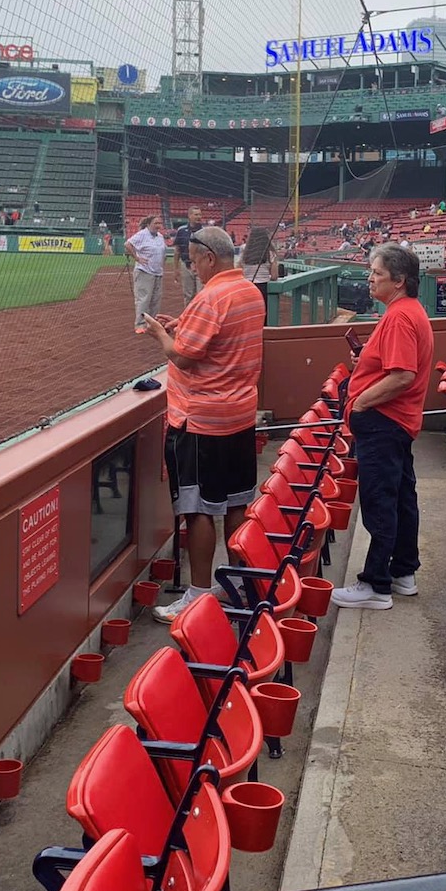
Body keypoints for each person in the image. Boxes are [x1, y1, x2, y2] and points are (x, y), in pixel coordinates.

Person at [141, 227, 266, 622]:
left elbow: (183, 357)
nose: (192, 267)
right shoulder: (249, 291)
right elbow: (215, 335)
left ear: (210, 257)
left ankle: (196, 595)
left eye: (194, 260)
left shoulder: (212, 296)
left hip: (201, 420)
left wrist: (163, 334)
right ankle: (237, 583)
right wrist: (182, 322)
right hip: (240, 415)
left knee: (198, 510)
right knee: (235, 504)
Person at [333, 245, 436, 611]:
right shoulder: (406, 312)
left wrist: (360, 402)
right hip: (395, 422)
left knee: (380, 501)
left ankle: (376, 585)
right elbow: (394, 366)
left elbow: (403, 375)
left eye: (376, 272)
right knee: (402, 498)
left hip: (384, 422)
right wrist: (367, 363)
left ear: (399, 280)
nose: (370, 277)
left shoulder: (399, 316)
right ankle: (402, 573)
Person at [125, 213, 167, 331]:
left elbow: (163, 251)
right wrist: (137, 258)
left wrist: (162, 261)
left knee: (155, 299)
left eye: (159, 223)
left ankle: (152, 324)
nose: (158, 225)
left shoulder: (160, 236)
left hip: (158, 272)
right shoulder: (142, 234)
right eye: (155, 223)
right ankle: (140, 324)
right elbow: (128, 244)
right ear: (148, 224)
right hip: (144, 271)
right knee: (144, 298)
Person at [174, 206, 204, 306]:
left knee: (202, 294)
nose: (199, 217)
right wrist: (176, 269)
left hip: (201, 266)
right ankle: (189, 318)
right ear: (189, 216)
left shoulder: (205, 231)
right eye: (196, 214)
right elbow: (177, 250)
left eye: (200, 214)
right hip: (186, 266)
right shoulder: (181, 230)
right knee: (188, 294)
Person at [240, 225, 277, 301]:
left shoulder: (244, 250)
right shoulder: (270, 252)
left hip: (246, 286)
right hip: (263, 287)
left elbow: (239, 269)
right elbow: (274, 276)